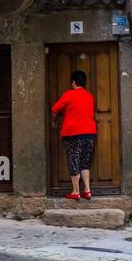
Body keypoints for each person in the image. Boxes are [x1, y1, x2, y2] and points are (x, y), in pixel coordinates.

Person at [51, 68, 97, 200]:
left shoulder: (69, 95)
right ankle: (87, 190)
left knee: (73, 161)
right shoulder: (89, 96)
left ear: (73, 82)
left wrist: (55, 118)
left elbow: (55, 109)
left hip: (73, 134)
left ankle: (76, 191)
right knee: (85, 163)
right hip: (89, 133)